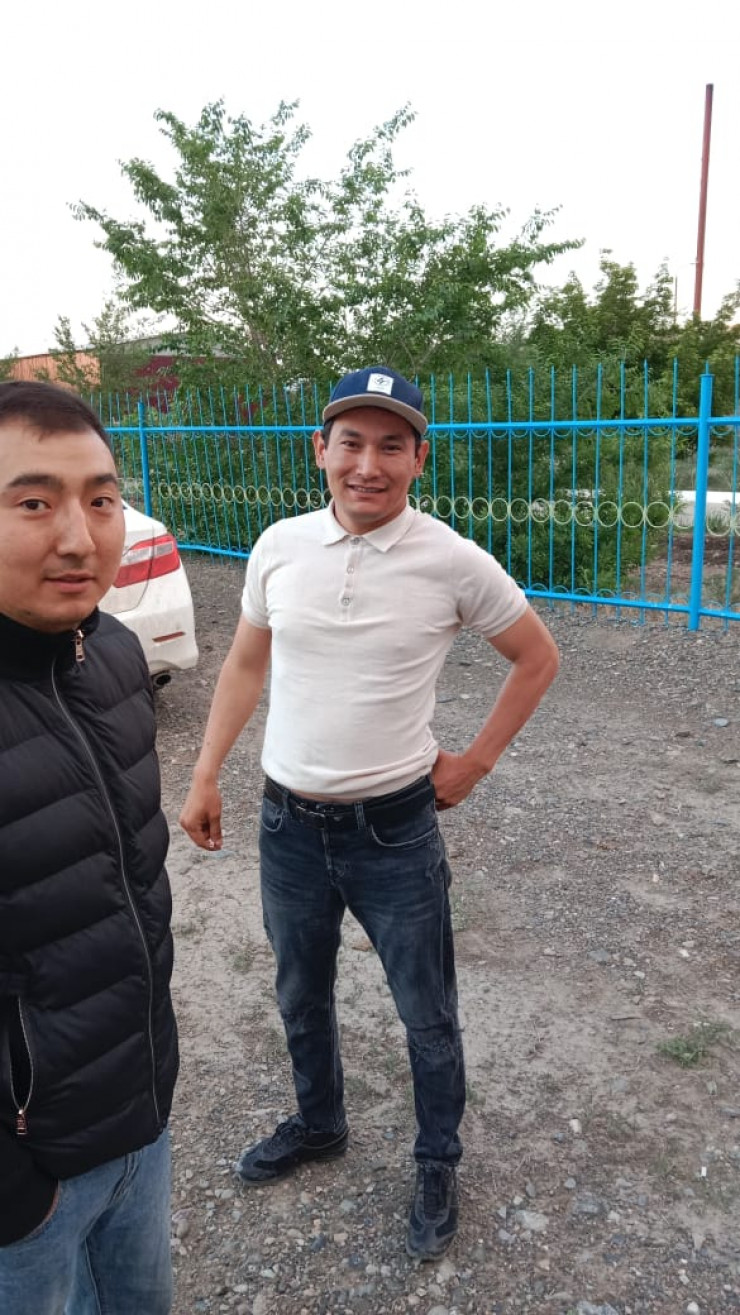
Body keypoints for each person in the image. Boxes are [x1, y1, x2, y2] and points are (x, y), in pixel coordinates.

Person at [180, 365, 559, 1260]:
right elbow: (245, 664)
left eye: (392, 445)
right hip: (287, 826)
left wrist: (475, 762)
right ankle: (320, 1123)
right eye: (350, 442)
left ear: (420, 459)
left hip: (395, 831)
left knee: (426, 1012)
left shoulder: (451, 560)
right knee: (299, 992)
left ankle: (437, 1161)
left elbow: (537, 656)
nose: (368, 464)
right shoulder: (279, 546)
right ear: (321, 450)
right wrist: (205, 771)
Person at [0, 382, 178, 1314]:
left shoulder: (109, 653)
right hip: (28, 1186)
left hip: (138, 1117)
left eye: (101, 499)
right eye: (34, 502)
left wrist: (154, 1079)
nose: (79, 536)